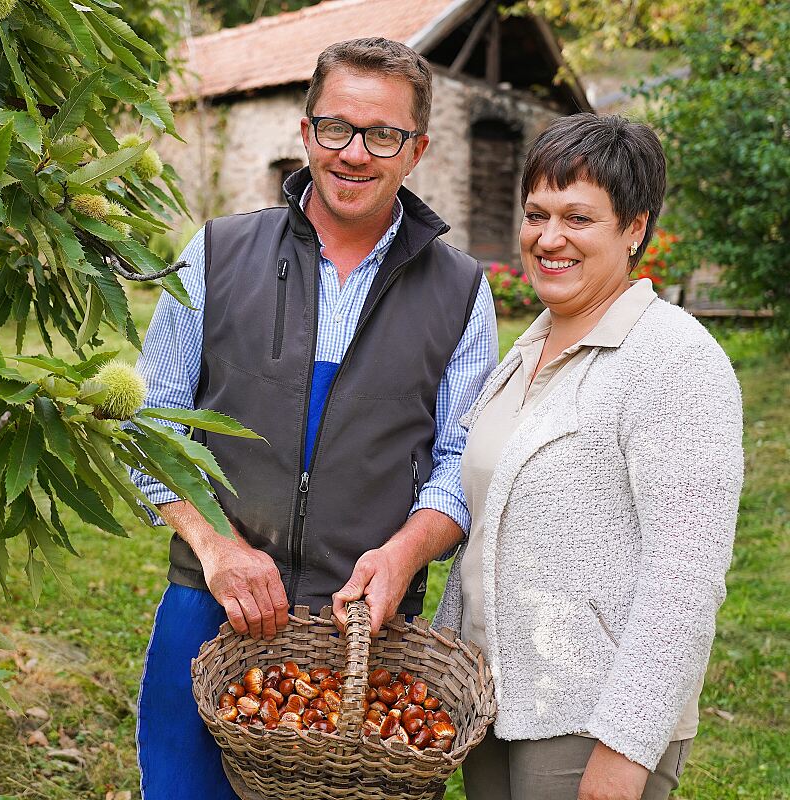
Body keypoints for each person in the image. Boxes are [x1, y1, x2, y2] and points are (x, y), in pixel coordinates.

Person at [131, 38, 499, 799]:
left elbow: (462, 462)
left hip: (365, 630)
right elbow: (152, 430)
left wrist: (402, 556)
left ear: (417, 149)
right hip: (214, 605)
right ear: (306, 133)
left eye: (382, 135)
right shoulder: (214, 254)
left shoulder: (462, 292)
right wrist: (215, 545)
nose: (354, 153)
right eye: (336, 127)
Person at [433, 113, 744, 800]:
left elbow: (686, 579)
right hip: (492, 705)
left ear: (634, 228)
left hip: (590, 720)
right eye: (536, 214)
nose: (548, 238)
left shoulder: (675, 360)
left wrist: (625, 749)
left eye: (578, 217)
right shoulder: (523, 352)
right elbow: (488, 526)